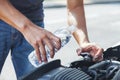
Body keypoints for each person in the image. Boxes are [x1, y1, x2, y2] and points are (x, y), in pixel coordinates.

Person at [0, 0, 103, 79]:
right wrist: (27, 28)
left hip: (33, 18)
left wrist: (83, 41)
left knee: (36, 76)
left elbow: (75, 7)